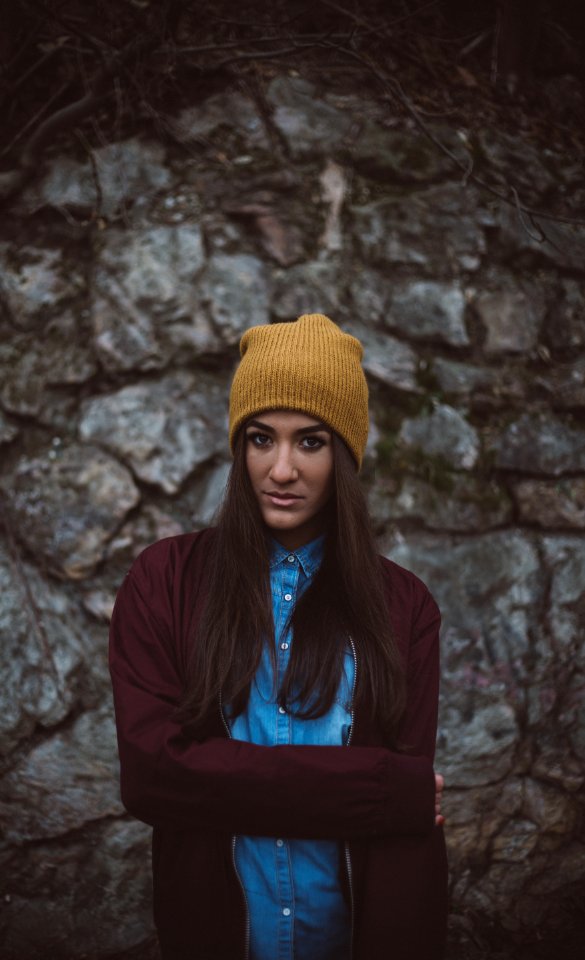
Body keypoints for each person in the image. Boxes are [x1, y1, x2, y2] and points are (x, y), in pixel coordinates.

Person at [109, 313, 448, 960]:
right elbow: (153, 776)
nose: (281, 468)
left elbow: (407, 838)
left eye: (311, 442)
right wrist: (378, 789)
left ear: (344, 454)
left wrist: (221, 778)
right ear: (240, 446)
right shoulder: (165, 581)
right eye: (261, 438)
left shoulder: (403, 605)